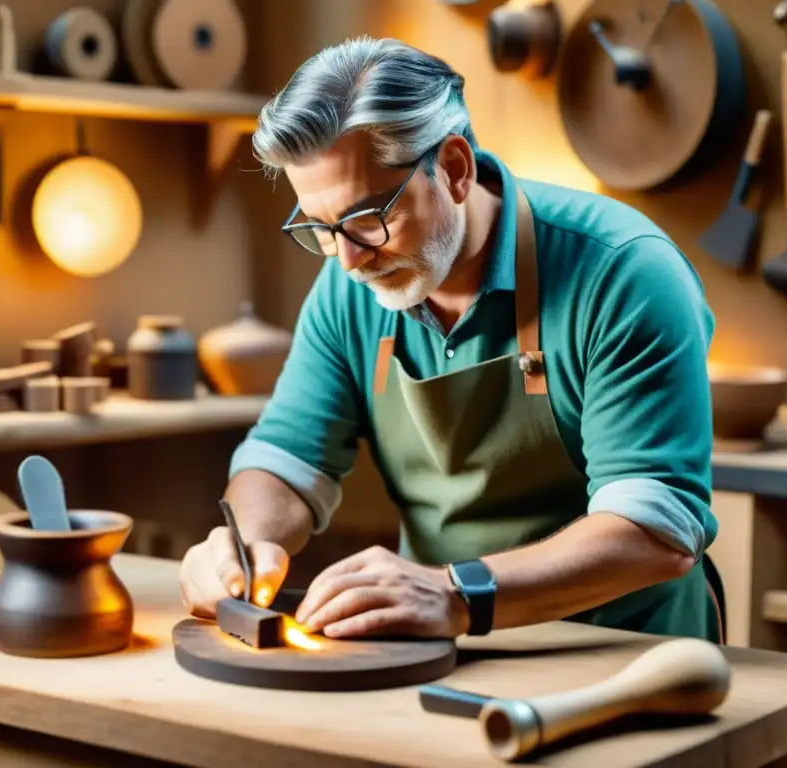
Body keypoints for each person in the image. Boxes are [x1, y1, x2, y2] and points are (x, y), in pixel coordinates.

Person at [179, 36, 722, 642]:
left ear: (456, 170)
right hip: (442, 643)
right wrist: (244, 543)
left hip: (629, 655)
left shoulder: (625, 272)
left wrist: (456, 591)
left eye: (367, 218)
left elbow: (656, 530)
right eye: (322, 228)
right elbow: (286, 459)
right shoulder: (348, 287)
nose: (350, 260)